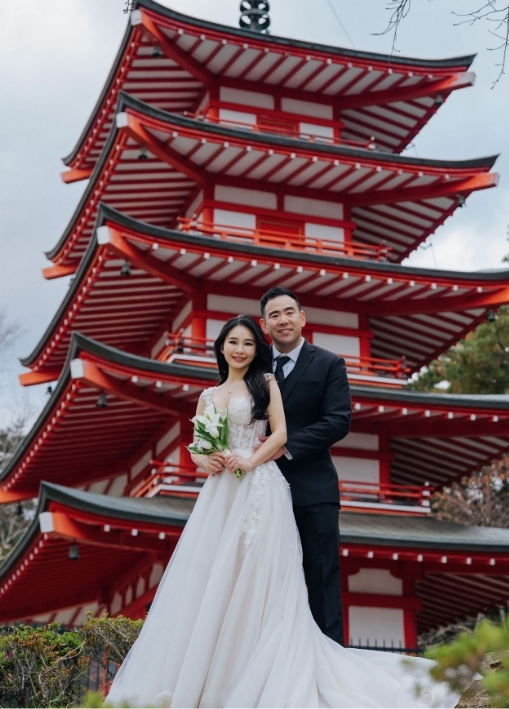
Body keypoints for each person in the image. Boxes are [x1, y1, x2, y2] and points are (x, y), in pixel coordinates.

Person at [107, 315, 458, 707]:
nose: (240, 349)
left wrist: (251, 461)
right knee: (215, 575)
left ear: (257, 349)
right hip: (221, 493)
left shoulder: (265, 383)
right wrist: (209, 460)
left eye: (248, 343)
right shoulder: (208, 395)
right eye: (233, 342)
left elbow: (281, 433)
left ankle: (261, 670)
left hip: (260, 485)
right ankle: (212, 672)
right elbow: (199, 449)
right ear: (221, 347)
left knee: (261, 575)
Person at [258, 285, 352, 645]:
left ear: (302, 317)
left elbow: (338, 420)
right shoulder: (253, 365)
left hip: (313, 489)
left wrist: (283, 446)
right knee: (264, 577)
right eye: (274, 315)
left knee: (321, 576)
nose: (282, 320)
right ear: (264, 326)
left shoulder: (329, 363)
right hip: (260, 488)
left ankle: (330, 661)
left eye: (288, 312)